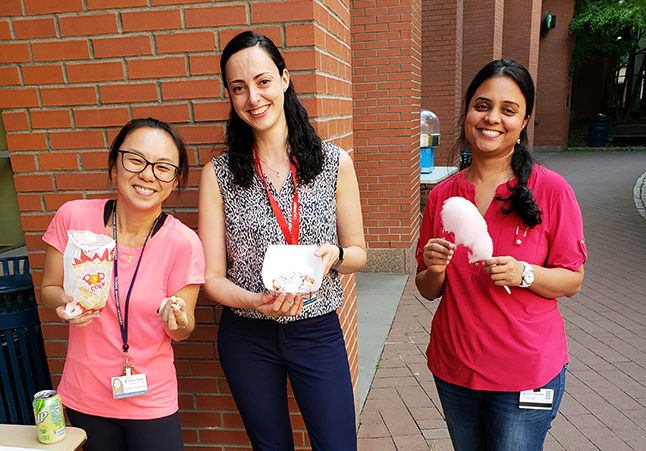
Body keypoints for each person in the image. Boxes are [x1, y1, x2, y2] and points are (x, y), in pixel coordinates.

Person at [198, 31, 366, 451]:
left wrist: (336, 257)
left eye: (263, 81)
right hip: (247, 335)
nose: (253, 97)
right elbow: (212, 278)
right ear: (230, 97)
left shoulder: (333, 163)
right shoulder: (218, 175)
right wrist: (254, 301)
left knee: (338, 444)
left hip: (317, 329)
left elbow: (360, 253)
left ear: (285, 79)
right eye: (238, 88)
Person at [415, 59, 587, 451]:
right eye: (482, 105)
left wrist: (525, 273)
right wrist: (436, 267)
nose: (492, 118)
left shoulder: (552, 190)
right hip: (456, 365)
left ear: (524, 121)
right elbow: (427, 287)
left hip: (526, 372)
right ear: (467, 112)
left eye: (508, 110)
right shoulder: (444, 195)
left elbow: (572, 280)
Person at [40, 117, 205, 451]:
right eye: (135, 160)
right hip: (85, 394)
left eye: (163, 167)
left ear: (174, 181)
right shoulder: (73, 217)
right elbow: (48, 289)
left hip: (151, 398)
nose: (147, 174)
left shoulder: (183, 243)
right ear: (115, 165)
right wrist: (63, 303)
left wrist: (179, 320)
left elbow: (182, 329)